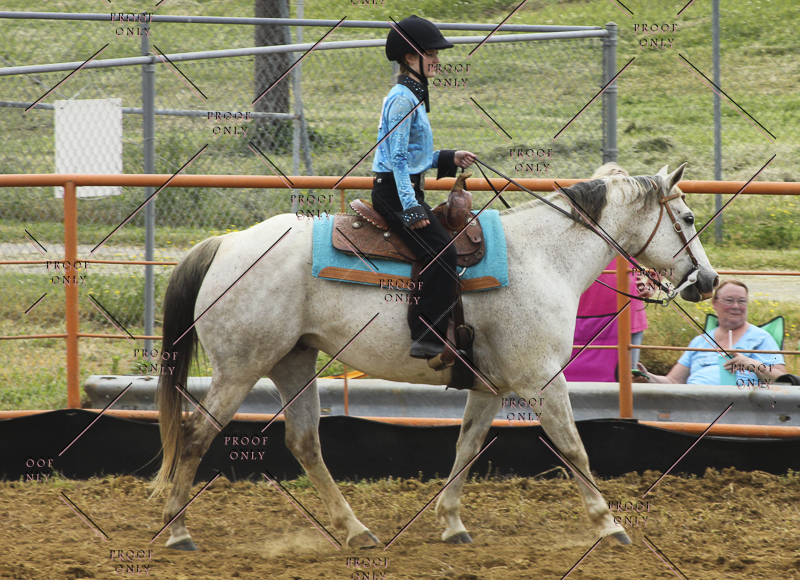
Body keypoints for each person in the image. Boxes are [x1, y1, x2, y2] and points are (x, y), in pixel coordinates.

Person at [371, 15, 477, 360]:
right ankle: (427, 336)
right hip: (395, 194)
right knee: (442, 252)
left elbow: (413, 156)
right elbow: (398, 159)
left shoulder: (412, 95)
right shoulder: (403, 99)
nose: (436, 60)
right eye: (430, 53)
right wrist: (410, 206)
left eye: (436, 53)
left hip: (405, 190)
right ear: (410, 57)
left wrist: (448, 157)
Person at [638, 280, 787, 385]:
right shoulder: (699, 342)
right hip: (693, 405)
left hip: (742, 406)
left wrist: (752, 364)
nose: (736, 306)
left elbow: (783, 381)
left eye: (742, 301)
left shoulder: (761, 338)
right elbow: (673, 381)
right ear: (714, 303)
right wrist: (648, 377)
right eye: (729, 300)